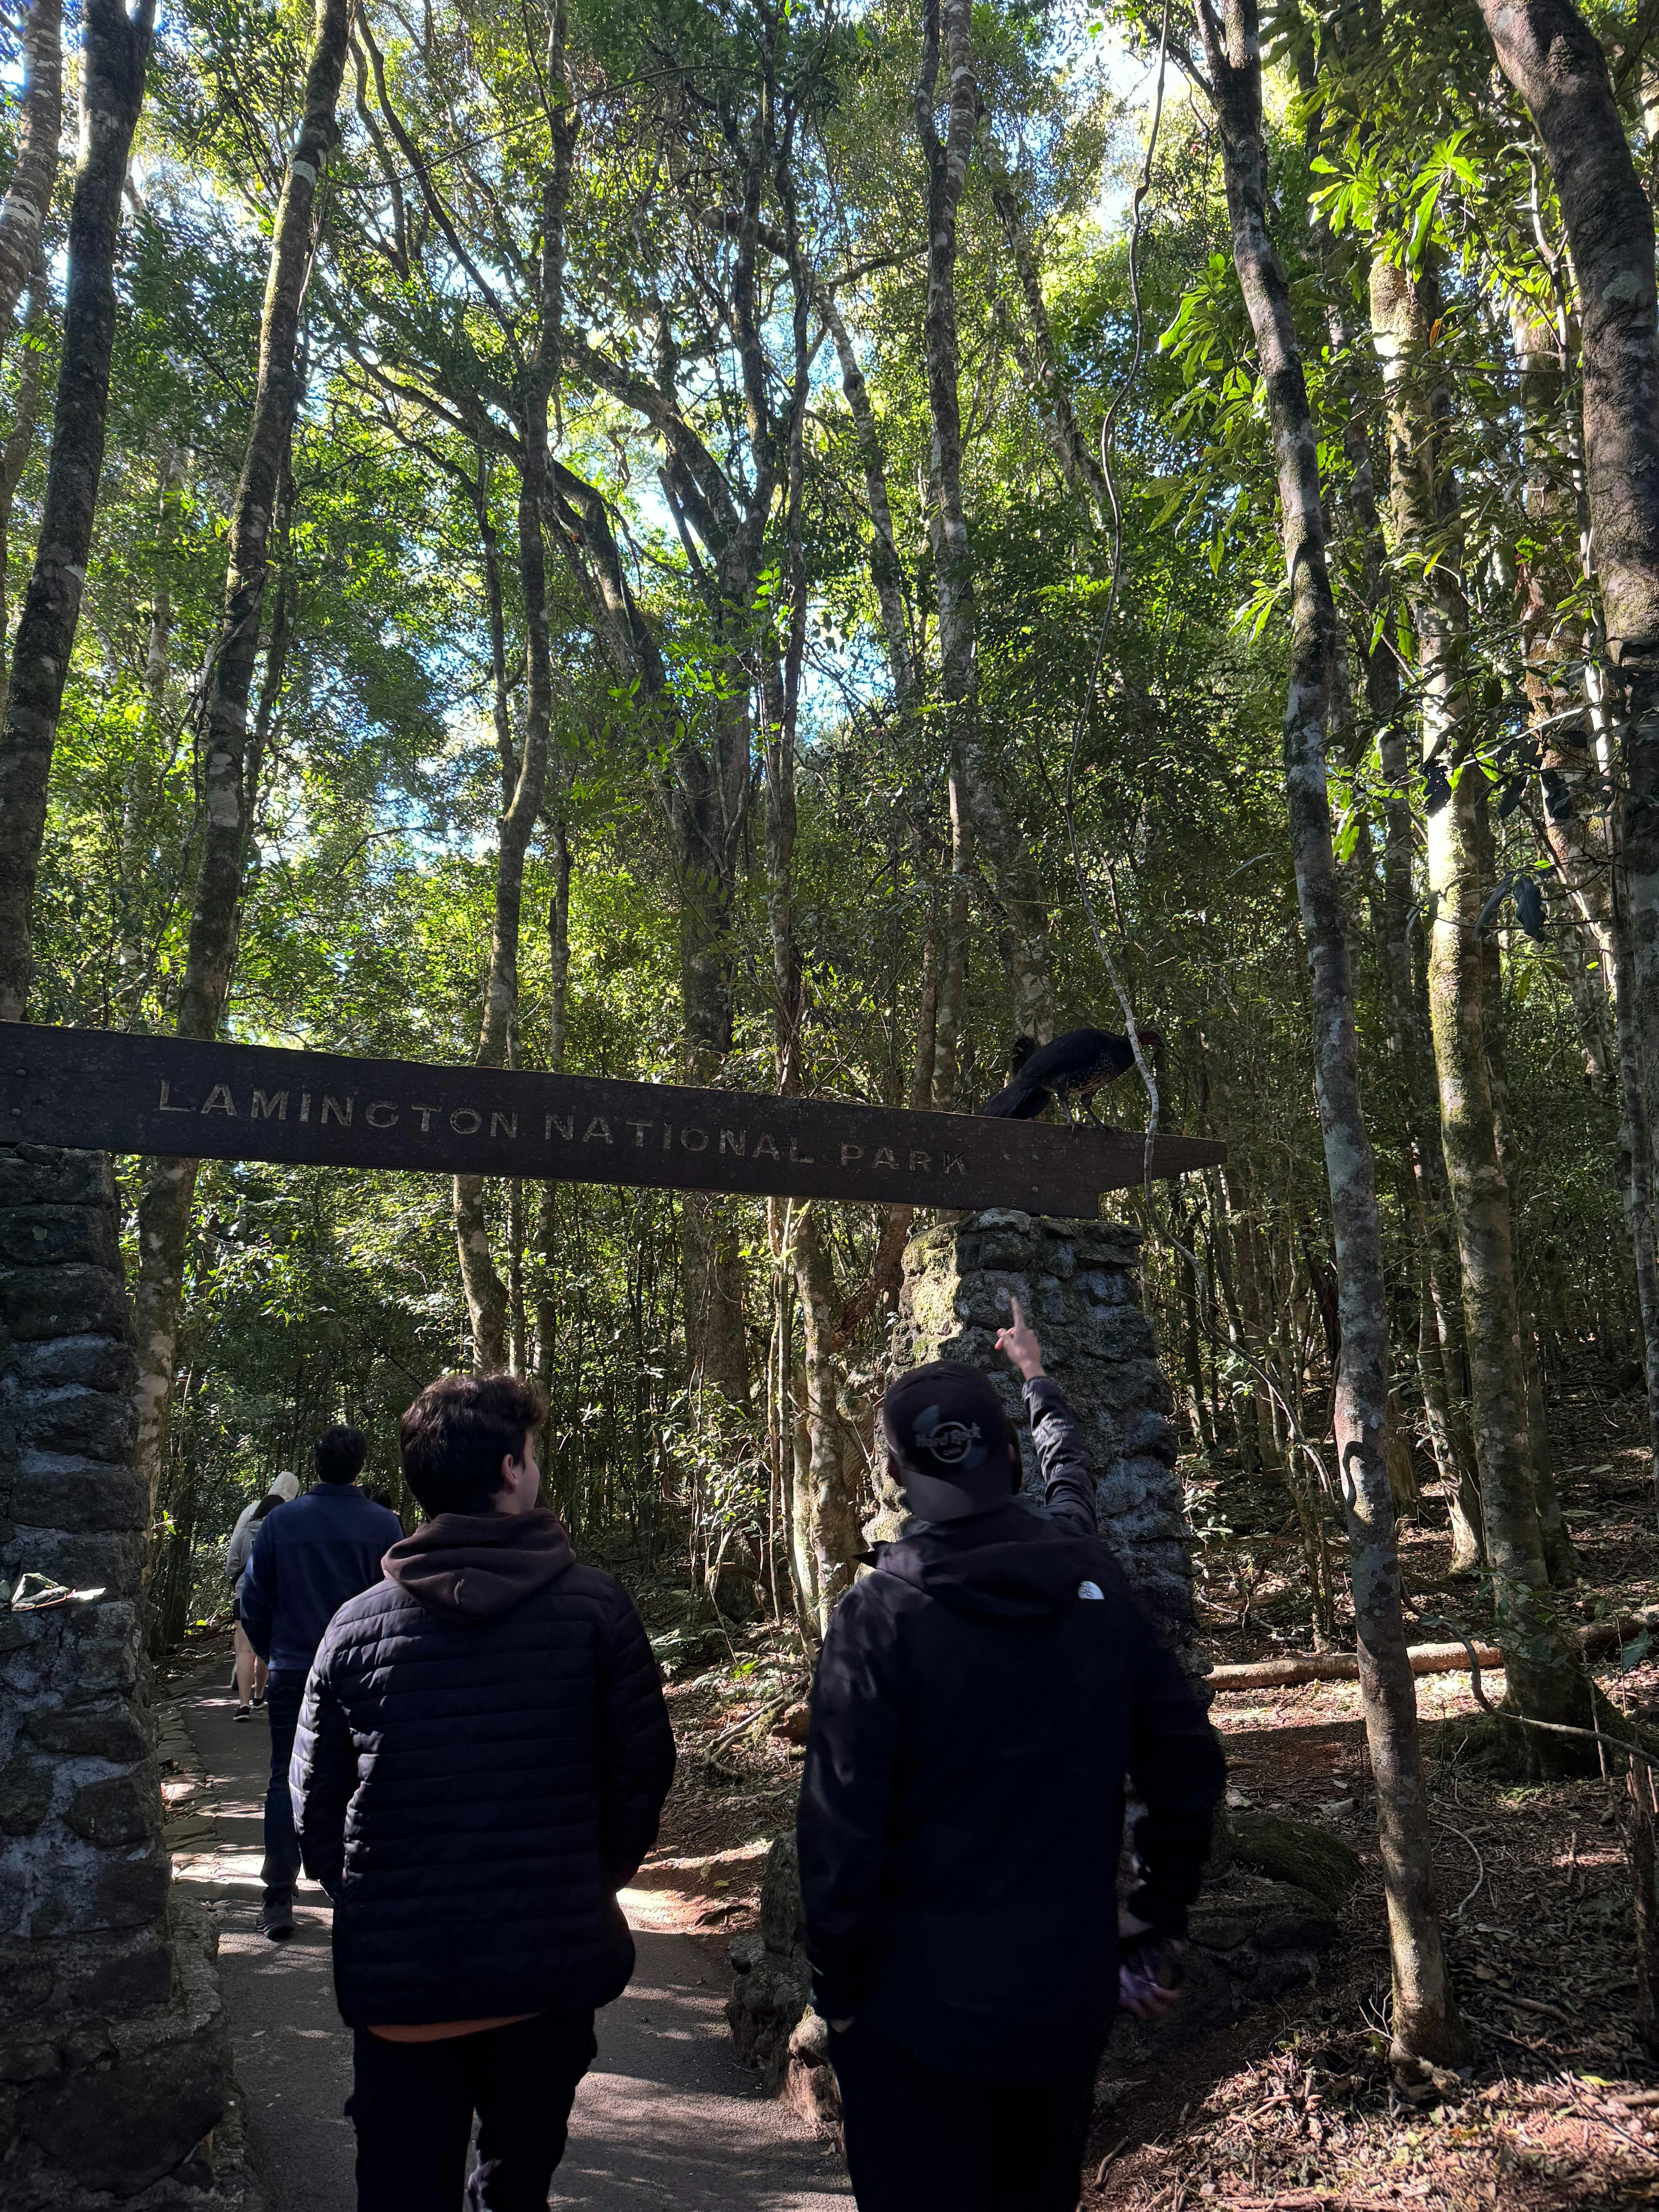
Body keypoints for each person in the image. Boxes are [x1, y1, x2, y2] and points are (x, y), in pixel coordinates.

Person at [798, 1296, 1226, 2212]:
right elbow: (1187, 1759)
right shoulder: (1088, 1577)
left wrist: (838, 1992)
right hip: (1061, 2001)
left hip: (910, 2010)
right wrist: (1154, 1917)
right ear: (1009, 1458)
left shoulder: (878, 1619)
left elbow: (838, 1831)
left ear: (897, 1475)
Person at [291, 1372, 676, 2212]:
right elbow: (642, 1772)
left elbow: (313, 1804)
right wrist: (585, 1881)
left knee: (399, 2190)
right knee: (516, 2189)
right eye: (531, 1453)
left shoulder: (354, 1627)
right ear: (510, 1469)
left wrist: (373, 1900)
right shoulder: (594, 1608)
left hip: (403, 1991)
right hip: (546, 1980)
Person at [239, 1426, 402, 1941]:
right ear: (360, 1467)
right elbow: (400, 1600)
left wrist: (272, 1653)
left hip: (294, 1668)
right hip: (363, 1674)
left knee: (283, 1778)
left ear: (316, 1464)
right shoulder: (384, 1525)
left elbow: (252, 1598)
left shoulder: (281, 1522)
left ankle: (278, 1899)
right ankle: (352, 1888)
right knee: (361, 1776)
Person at [225, 1471, 300, 1719]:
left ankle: (243, 1704)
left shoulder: (249, 1516)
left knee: (244, 1650)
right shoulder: (291, 1519)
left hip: (245, 1591)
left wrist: (237, 1577)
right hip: (276, 1594)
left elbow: (233, 1562)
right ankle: (260, 1696)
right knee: (267, 1648)